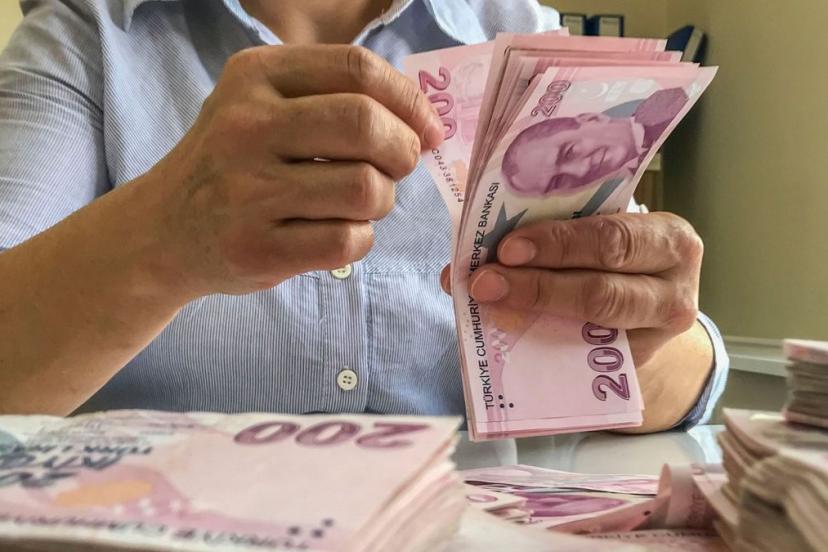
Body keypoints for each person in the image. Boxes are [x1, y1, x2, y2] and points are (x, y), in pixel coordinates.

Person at [0, 0, 727, 434]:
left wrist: (647, 339)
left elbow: (663, 358)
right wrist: (166, 234)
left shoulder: (518, 30)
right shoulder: (85, 38)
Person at [502, 88, 689, 197]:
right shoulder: (623, 192)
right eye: (558, 181)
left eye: (570, 152)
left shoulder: (666, 103)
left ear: (592, 119)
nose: (581, 171)